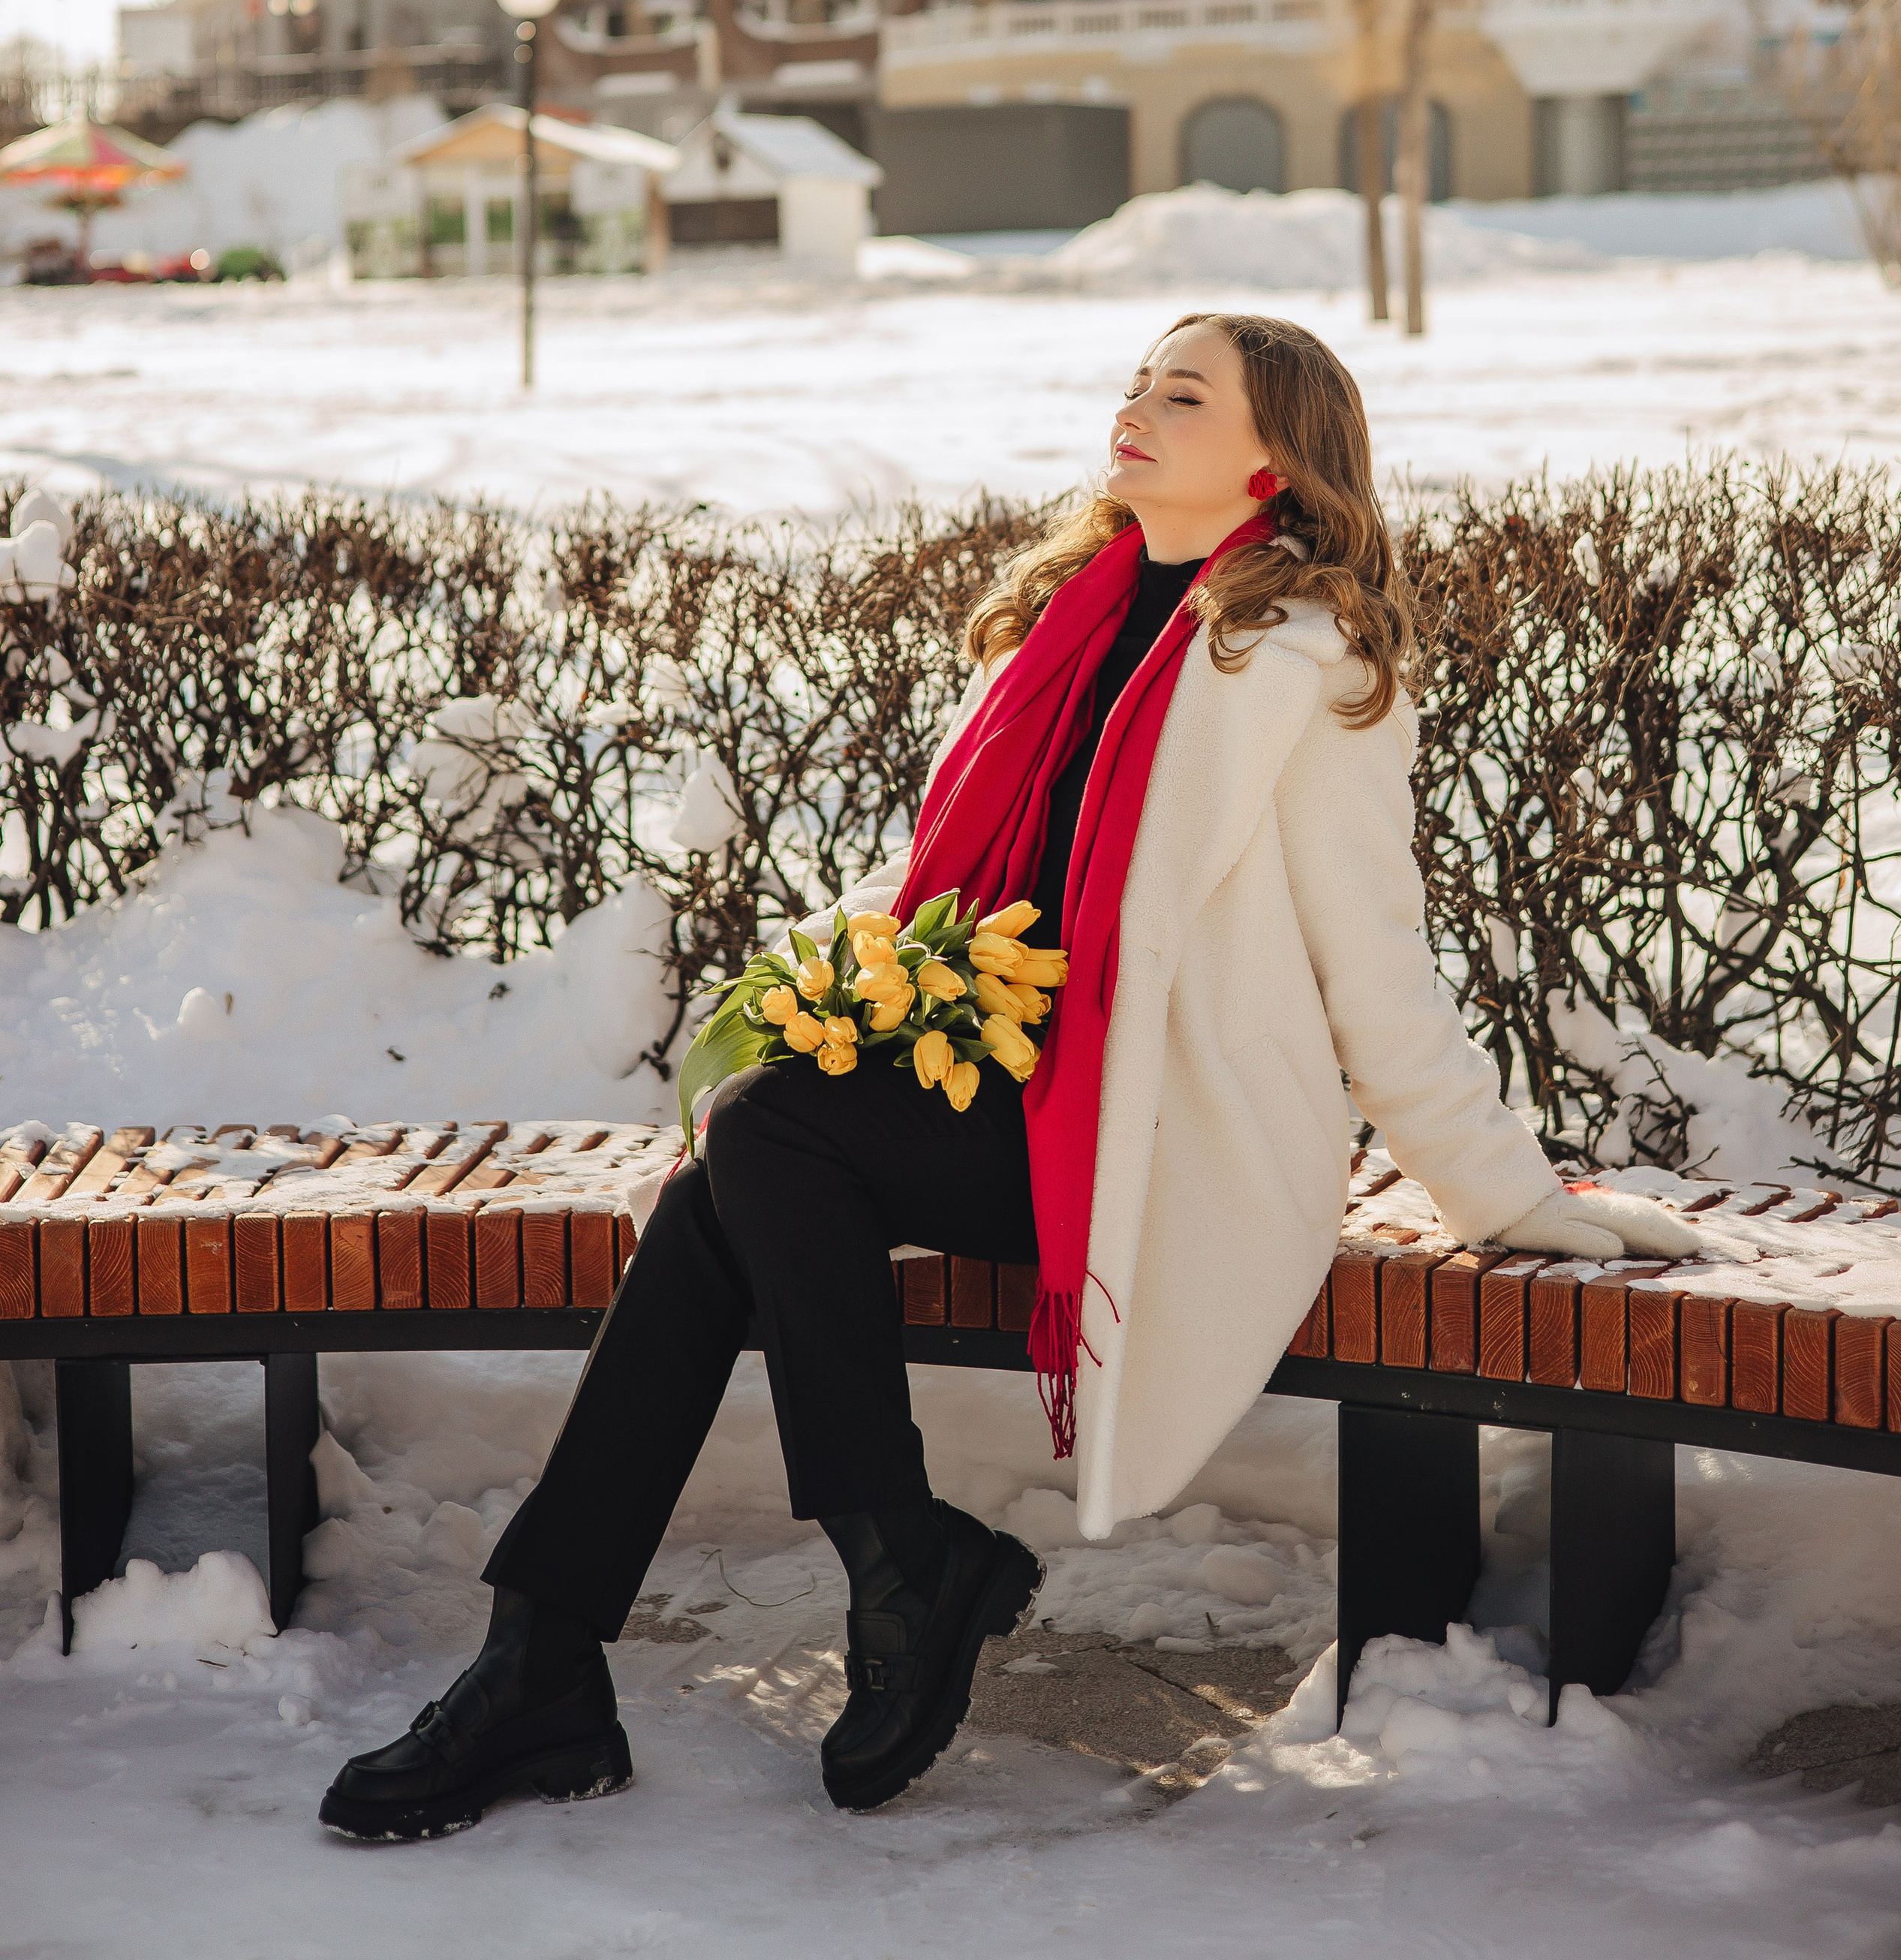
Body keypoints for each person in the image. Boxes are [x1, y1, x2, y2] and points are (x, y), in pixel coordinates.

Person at [318, 310, 1685, 1842]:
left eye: (1183, 394)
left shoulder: (1307, 668)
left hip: (1154, 1142)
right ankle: (575, 1650)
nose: (1137, 409)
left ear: (1271, 460)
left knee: (761, 1147)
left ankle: (827, 1582)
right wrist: (834, 1001)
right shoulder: (1063, 625)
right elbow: (954, 895)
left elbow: (1374, 965)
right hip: (1000, 1098)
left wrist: (1500, 1191)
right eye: (1135, 383)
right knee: (726, 1187)